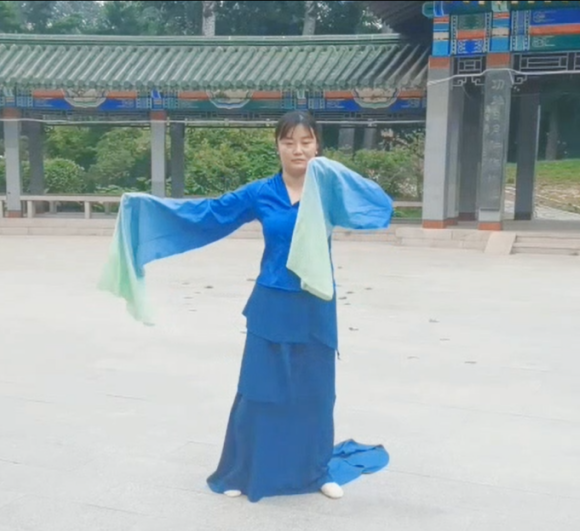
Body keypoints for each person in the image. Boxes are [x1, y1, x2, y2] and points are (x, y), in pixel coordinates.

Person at [104, 111, 393, 502]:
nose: (298, 150)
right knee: (259, 390)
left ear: (317, 146)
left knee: (316, 393)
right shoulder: (262, 193)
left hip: (315, 305)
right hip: (270, 303)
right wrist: (142, 207)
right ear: (277, 146)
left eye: (306, 142)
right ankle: (241, 470)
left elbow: (378, 208)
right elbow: (209, 214)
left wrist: (336, 172)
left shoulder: (328, 189)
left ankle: (316, 471)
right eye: (289, 142)